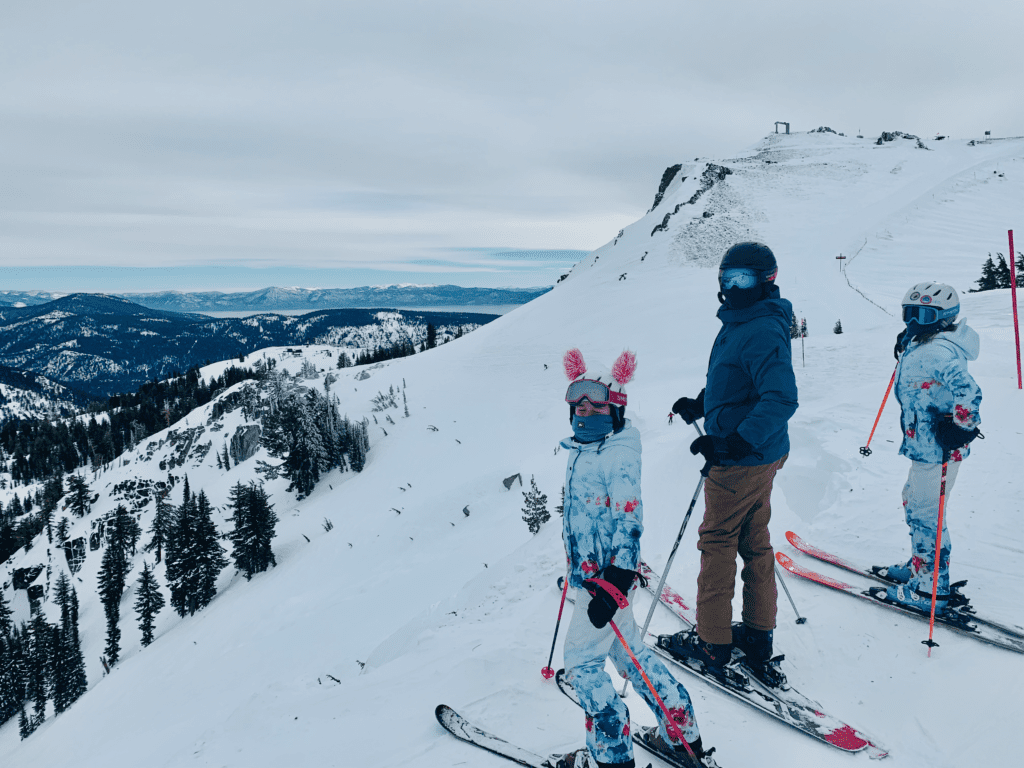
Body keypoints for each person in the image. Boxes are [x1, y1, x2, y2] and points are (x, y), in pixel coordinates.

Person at [555, 348, 718, 768]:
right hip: (596, 578)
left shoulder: (616, 453)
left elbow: (629, 520)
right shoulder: (588, 447)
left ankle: (610, 754)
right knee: (631, 656)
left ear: (617, 406)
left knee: (581, 664)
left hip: (604, 584)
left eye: (594, 401)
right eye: (576, 400)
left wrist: (616, 579)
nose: (582, 409)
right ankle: (683, 736)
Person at [661, 242, 798, 688]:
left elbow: (780, 398)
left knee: (717, 541)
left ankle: (712, 642)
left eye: (743, 279)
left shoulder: (758, 328)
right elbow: (739, 381)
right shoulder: (744, 322)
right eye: (726, 278)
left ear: (767, 280)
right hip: (761, 454)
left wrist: (734, 443)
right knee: (753, 539)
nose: (732, 287)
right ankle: (758, 636)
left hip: (744, 459)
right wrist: (702, 403)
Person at [873, 282, 981, 613]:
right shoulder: (929, 342)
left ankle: (928, 589)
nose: (914, 321)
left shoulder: (935, 351)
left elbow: (969, 391)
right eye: (910, 313)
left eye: (924, 315)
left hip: (938, 448)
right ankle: (921, 566)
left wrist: (961, 427)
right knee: (918, 503)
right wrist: (911, 342)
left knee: (925, 514)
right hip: (929, 446)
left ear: (944, 317)